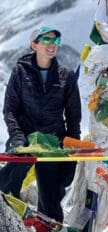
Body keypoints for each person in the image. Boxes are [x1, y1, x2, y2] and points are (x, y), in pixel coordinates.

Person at [0, 26, 82, 223]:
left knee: (51, 202)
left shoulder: (66, 76)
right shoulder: (20, 73)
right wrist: (18, 136)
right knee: (6, 189)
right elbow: (10, 110)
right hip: (26, 142)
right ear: (34, 44)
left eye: (56, 41)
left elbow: (73, 117)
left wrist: (72, 149)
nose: (52, 45)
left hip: (53, 145)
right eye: (46, 40)